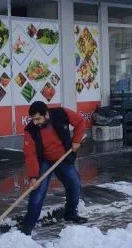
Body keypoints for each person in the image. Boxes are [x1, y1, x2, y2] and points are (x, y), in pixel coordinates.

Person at [20, 101, 88, 235]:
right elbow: (30, 154)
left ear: (46, 114)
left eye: (38, 118)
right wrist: (33, 177)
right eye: (33, 119)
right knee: (38, 192)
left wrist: (76, 140)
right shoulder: (30, 130)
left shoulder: (61, 114)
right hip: (44, 161)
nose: (35, 122)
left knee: (74, 184)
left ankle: (70, 214)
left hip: (63, 157)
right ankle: (27, 228)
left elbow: (80, 122)